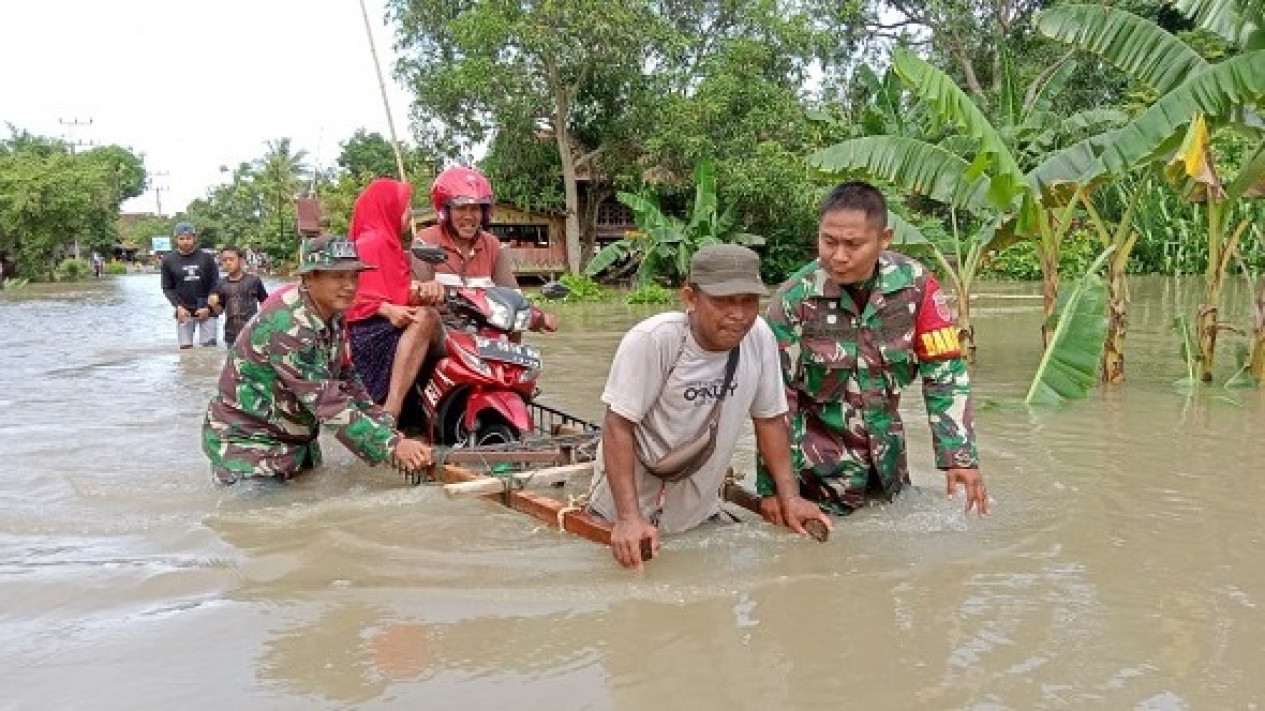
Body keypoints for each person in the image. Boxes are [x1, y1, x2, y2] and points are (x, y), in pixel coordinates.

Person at [756, 181, 989, 524]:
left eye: (853, 244)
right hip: (814, 485)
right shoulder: (793, 301)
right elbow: (773, 402)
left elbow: (945, 374)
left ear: (884, 239)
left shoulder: (917, 288)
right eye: (829, 241)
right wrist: (773, 491)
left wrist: (960, 457)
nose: (838, 256)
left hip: (888, 476)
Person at [587, 244, 832, 569]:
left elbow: (770, 421)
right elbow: (618, 426)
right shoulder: (654, 340)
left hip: (699, 514)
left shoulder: (759, 337)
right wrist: (628, 518)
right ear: (690, 298)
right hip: (624, 517)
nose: (739, 314)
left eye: (748, 301)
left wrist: (789, 498)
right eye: (723, 301)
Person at [202, 235, 432, 484]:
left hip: (293, 444)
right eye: (337, 276)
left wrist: (386, 429)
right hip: (249, 451)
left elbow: (346, 379)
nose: (349, 286)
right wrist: (392, 445)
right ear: (309, 278)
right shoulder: (289, 326)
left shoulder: (332, 314)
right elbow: (328, 404)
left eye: (354, 275)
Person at [346, 178, 438, 421]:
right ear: (388, 208)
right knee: (427, 317)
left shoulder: (390, 245)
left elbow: (395, 290)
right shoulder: (371, 243)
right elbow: (346, 296)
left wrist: (421, 290)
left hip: (385, 325)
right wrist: (386, 309)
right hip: (368, 333)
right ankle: (392, 408)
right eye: (406, 208)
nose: (409, 215)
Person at [160, 222, 220, 349]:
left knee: (209, 350)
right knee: (185, 351)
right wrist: (178, 307)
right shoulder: (168, 260)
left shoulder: (207, 258)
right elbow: (167, 287)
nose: (185, 242)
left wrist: (208, 308)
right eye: (181, 238)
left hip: (206, 310)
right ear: (176, 239)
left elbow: (215, 283)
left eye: (188, 238)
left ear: (194, 238)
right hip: (184, 310)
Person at [209, 245, 269, 348]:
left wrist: (265, 327)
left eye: (231, 259)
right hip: (231, 334)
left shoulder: (253, 281)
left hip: (252, 332)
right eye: (224, 260)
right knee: (233, 363)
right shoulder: (220, 284)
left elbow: (266, 304)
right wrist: (213, 304)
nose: (228, 263)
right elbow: (219, 311)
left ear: (241, 260)